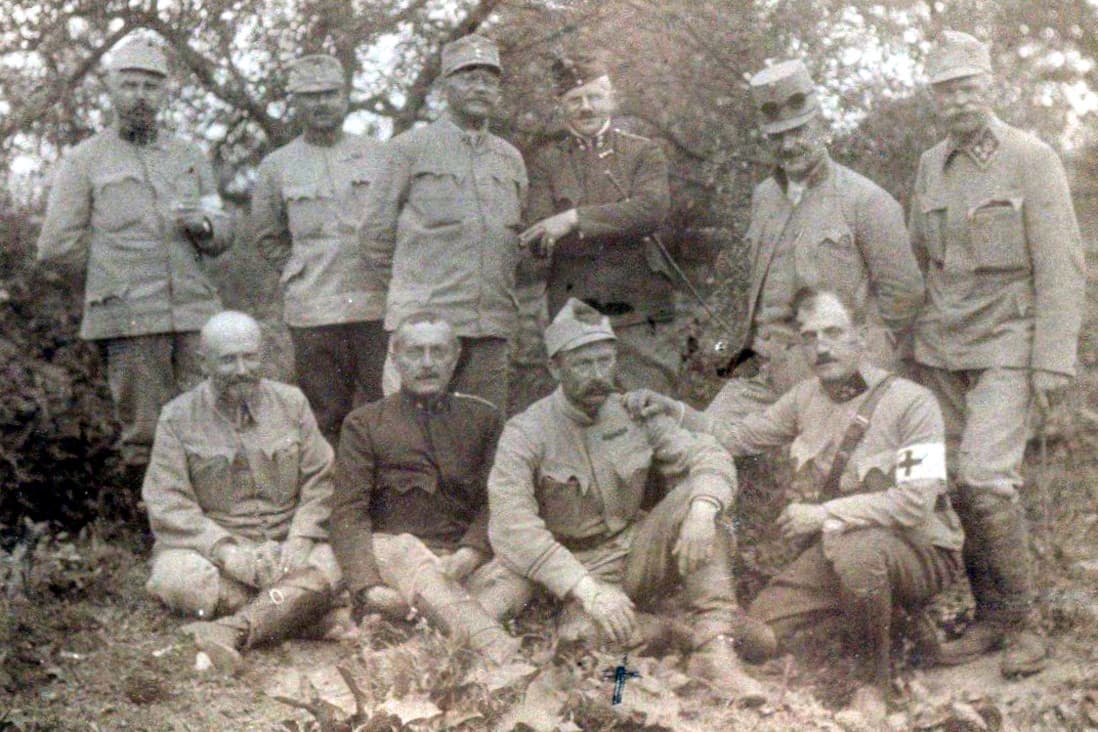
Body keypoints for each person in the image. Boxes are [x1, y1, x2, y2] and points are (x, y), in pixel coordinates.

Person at [628, 288, 963, 727]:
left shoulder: (913, 403)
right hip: (843, 547)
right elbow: (737, 437)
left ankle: (873, 682)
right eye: (809, 337)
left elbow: (916, 502)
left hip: (921, 549)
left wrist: (823, 515)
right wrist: (675, 411)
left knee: (859, 555)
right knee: (757, 634)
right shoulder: (806, 397)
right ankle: (893, 623)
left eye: (834, 332)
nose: (821, 347)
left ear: (861, 335)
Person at [480, 298, 768, 705]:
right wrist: (589, 591)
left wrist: (704, 509)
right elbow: (513, 528)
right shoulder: (526, 432)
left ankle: (713, 649)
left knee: (698, 499)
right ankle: (676, 630)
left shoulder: (634, 413)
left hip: (636, 554)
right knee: (580, 644)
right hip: (575, 572)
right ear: (554, 368)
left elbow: (709, 454)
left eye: (605, 361)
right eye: (583, 364)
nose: (599, 375)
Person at [908, 30, 1086, 677]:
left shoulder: (1030, 158)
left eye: (966, 86)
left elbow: (1062, 265)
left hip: (1010, 342)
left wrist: (1052, 360)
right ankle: (991, 617)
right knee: (953, 482)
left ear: (989, 86)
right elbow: (919, 260)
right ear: (934, 98)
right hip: (941, 347)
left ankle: (1025, 624)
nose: (957, 100)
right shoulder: (931, 165)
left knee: (986, 479)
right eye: (945, 90)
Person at [35, 35, 233, 478]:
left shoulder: (189, 156)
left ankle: (209, 515)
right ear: (110, 89)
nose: (140, 96)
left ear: (164, 93)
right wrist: (110, 278)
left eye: (150, 86)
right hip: (129, 318)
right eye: (129, 85)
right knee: (147, 437)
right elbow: (55, 246)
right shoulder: (84, 160)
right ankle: (154, 519)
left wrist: (203, 226)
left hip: (195, 314)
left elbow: (222, 232)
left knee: (211, 422)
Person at [705, 59, 923, 423]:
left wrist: (858, 378)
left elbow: (904, 299)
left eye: (798, 131)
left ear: (821, 126)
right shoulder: (764, 198)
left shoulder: (867, 201)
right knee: (697, 442)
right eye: (777, 136)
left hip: (835, 379)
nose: (788, 145)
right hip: (764, 377)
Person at [142, 311, 341, 672]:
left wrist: (300, 540)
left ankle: (230, 629)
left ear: (262, 356)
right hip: (218, 554)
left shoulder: (292, 403)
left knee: (336, 560)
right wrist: (227, 552)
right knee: (176, 577)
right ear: (203, 362)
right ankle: (302, 615)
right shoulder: (177, 417)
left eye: (250, 357)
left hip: (288, 545)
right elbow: (168, 502)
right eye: (228, 359)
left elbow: (322, 480)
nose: (241, 369)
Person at [331, 312, 518, 664]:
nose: (427, 363)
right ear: (395, 358)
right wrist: (367, 587)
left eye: (438, 351)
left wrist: (471, 551)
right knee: (407, 552)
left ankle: (427, 642)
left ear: (456, 357)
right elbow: (347, 512)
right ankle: (497, 650)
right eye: (415, 352)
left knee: (518, 572)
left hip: (461, 563)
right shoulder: (365, 423)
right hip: (397, 559)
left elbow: (498, 500)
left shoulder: (484, 419)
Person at [360, 34, 527, 411]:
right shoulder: (408, 149)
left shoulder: (510, 159)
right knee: (413, 431)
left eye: (489, 79)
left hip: (489, 328)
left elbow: (512, 241)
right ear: (444, 85)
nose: (480, 87)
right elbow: (374, 238)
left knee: (485, 430)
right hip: (425, 331)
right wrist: (415, 292)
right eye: (468, 76)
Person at [518, 52, 676, 395]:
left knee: (650, 401)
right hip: (576, 307)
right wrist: (620, 219)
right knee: (586, 404)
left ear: (612, 100)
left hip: (639, 305)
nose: (586, 108)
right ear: (561, 106)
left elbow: (650, 211)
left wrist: (573, 219)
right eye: (575, 100)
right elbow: (540, 231)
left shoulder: (643, 152)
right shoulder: (547, 162)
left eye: (594, 97)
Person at [252, 54, 386, 446]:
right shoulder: (277, 166)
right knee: (324, 416)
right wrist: (299, 270)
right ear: (295, 102)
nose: (321, 103)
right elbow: (267, 236)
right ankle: (329, 484)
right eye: (310, 96)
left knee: (384, 409)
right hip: (313, 311)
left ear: (345, 97)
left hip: (375, 306)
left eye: (329, 93)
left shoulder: (378, 155)